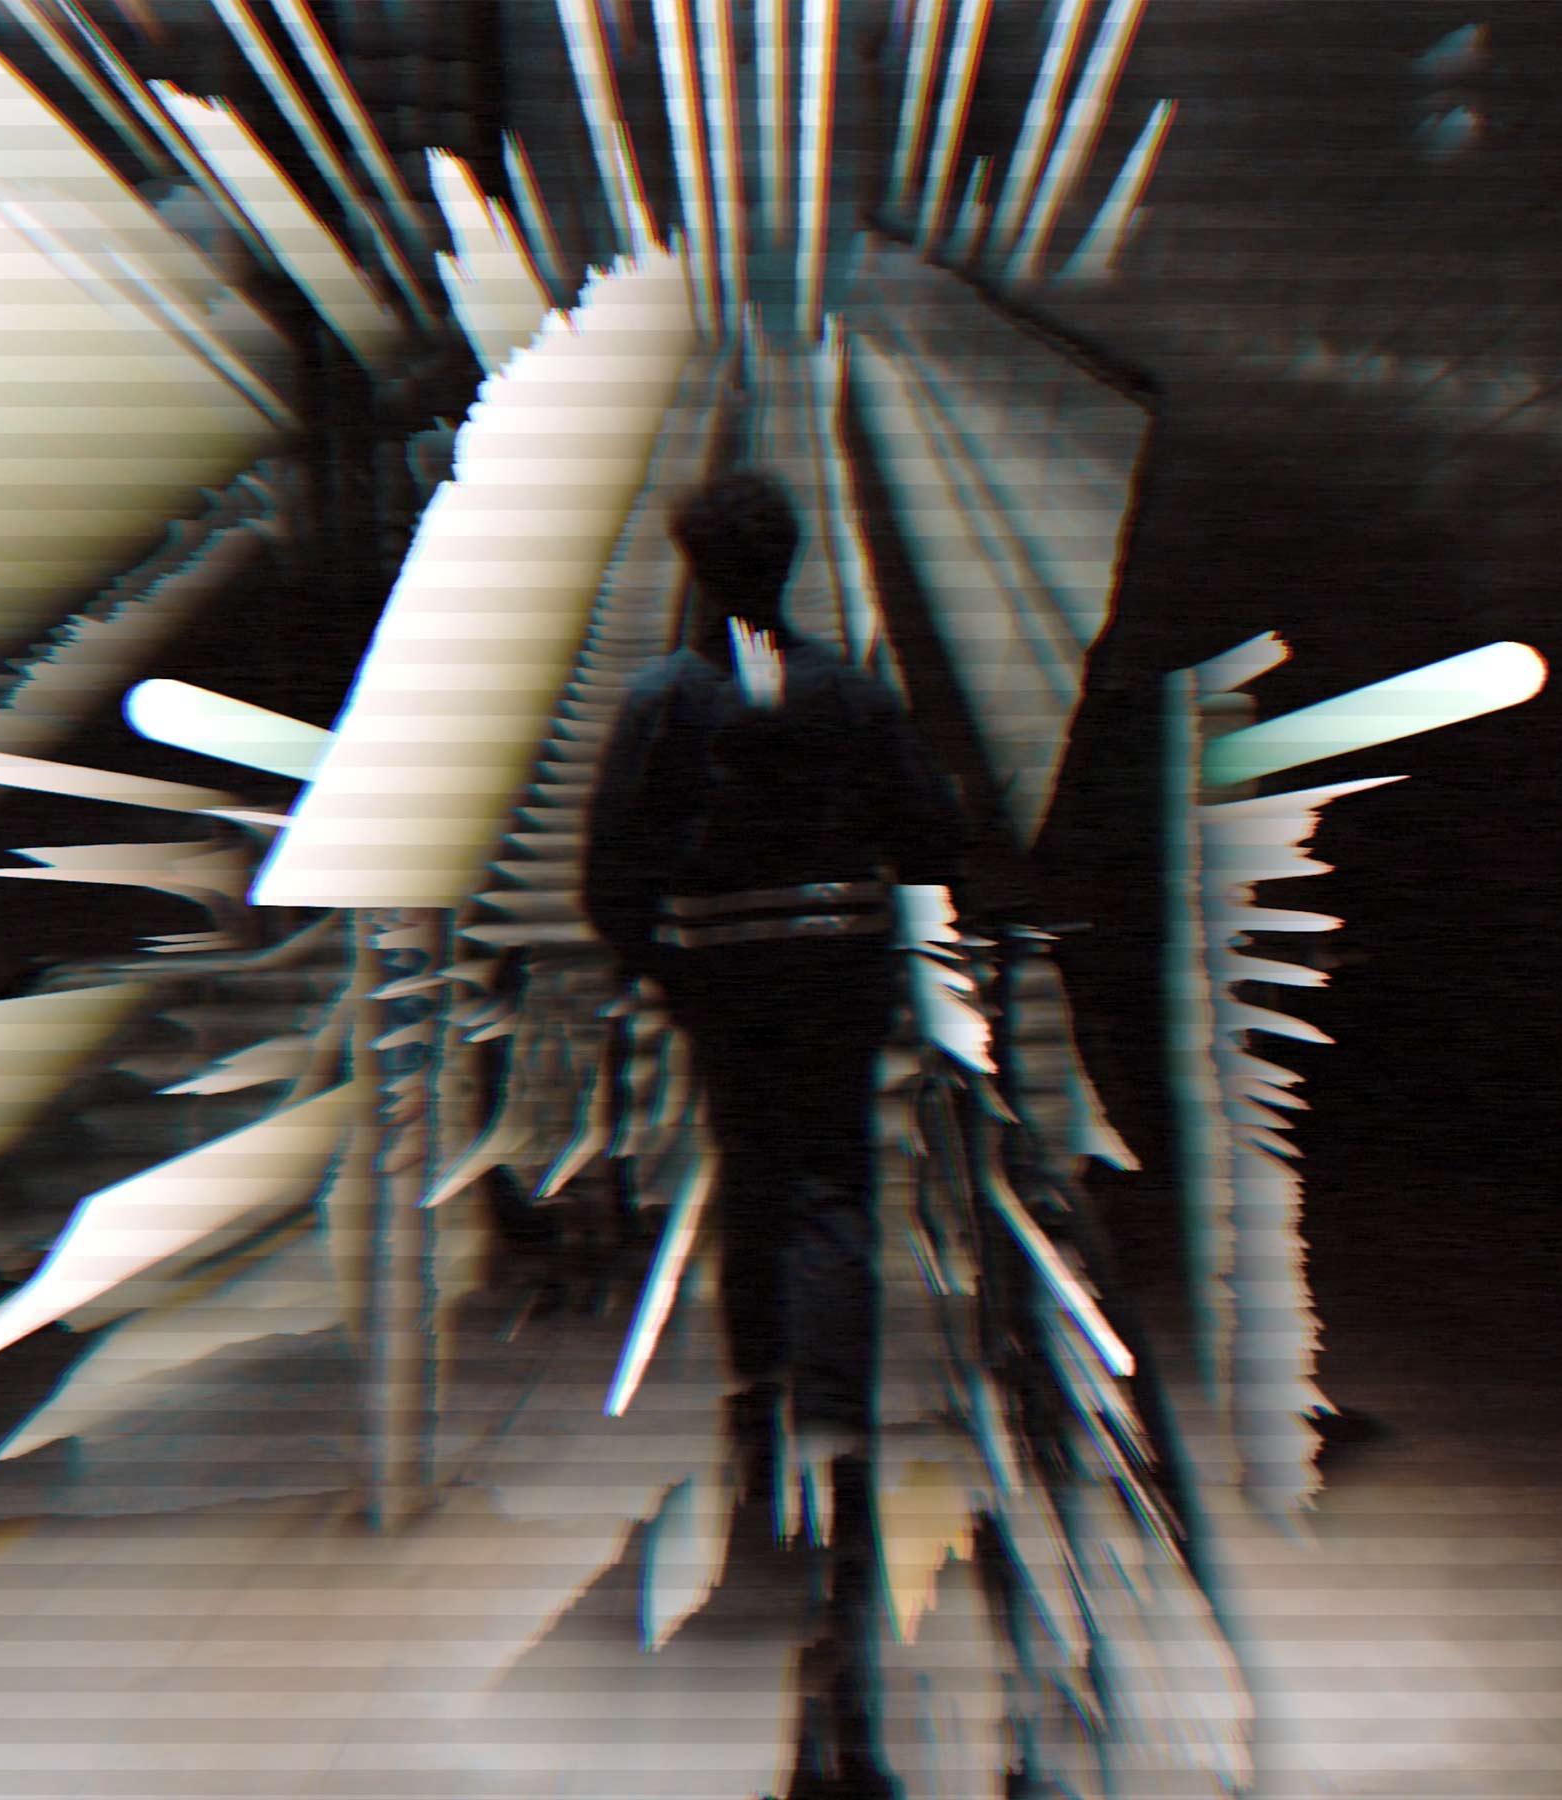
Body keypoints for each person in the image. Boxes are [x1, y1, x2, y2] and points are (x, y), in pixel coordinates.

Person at [582, 467, 965, 1798]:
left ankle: (757, 1387)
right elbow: (930, 831)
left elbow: (611, 869)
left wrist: (661, 966)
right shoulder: (851, 691)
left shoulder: (661, 700)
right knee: (835, 1185)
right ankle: (838, 1409)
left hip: (726, 977)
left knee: (746, 1171)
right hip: (838, 970)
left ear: (692, 564)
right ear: (791, 559)